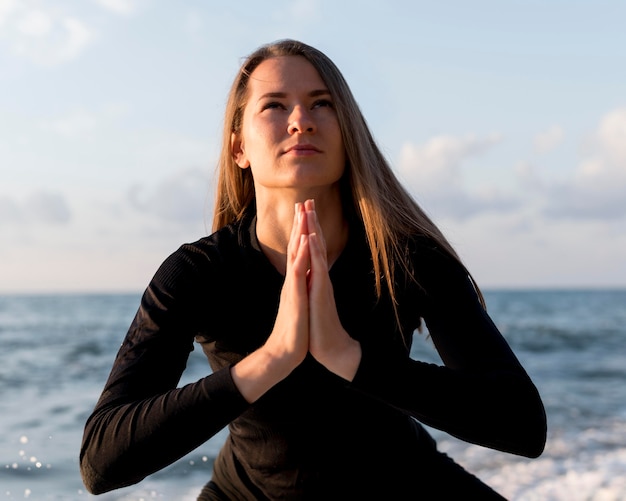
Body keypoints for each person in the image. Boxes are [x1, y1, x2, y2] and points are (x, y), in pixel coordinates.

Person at [80, 39, 546, 500]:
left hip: (408, 486)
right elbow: (100, 463)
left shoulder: (407, 257)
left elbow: (522, 425)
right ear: (239, 147)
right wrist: (271, 360)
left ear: (348, 133)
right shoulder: (198, 273)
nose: (300, 121)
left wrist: (348, 357)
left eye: (321, 104)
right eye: (275, 106)